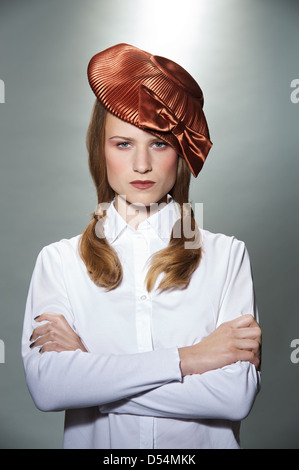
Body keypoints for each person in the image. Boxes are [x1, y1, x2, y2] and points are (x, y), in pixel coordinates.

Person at [21, 43, 261, 449]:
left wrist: (94, 379)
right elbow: (49, 389)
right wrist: (190, 358)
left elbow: (235, 397)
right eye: (123, 143)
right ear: (100, 148)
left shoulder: (227, 256)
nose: (142, 165)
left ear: (181, 152)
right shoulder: (59, 261)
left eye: (160, 143)